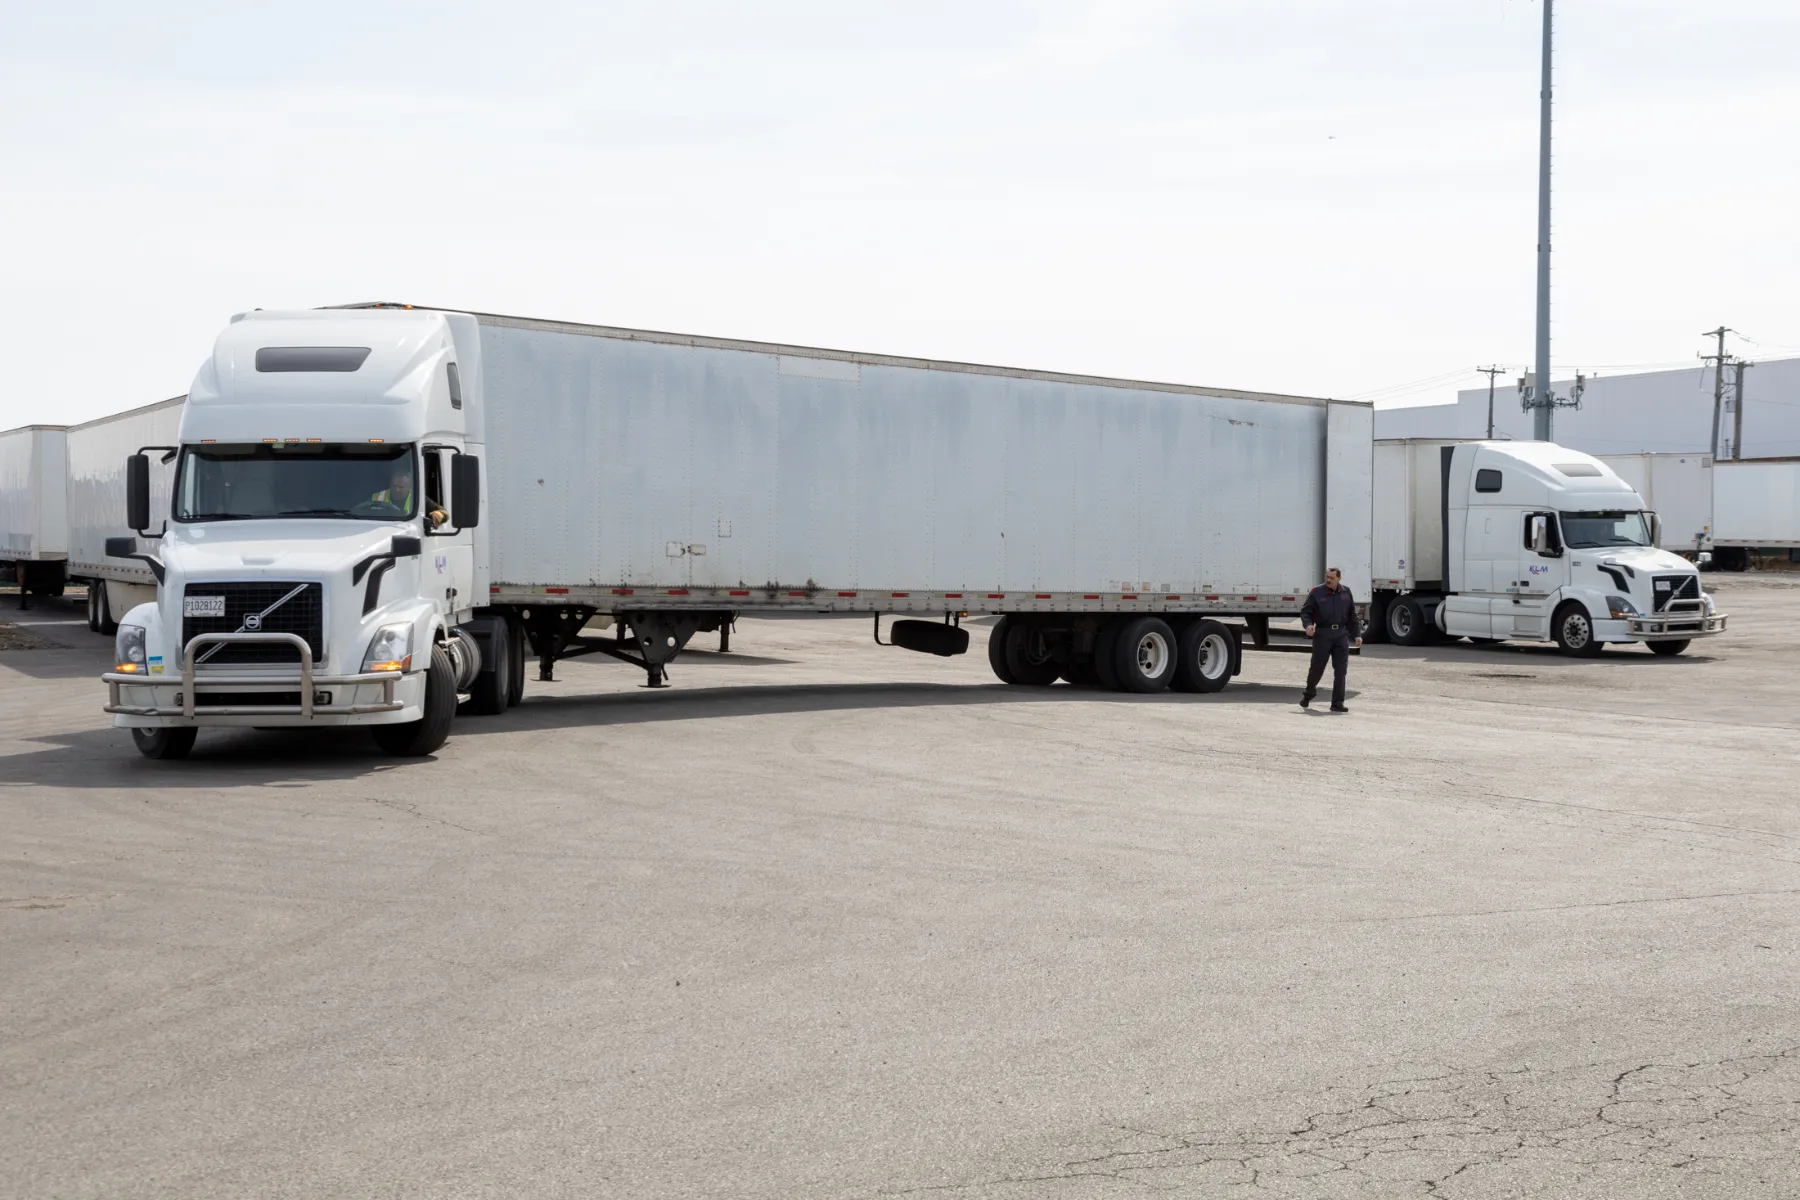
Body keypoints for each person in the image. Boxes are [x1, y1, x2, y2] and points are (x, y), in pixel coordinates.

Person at [1300, 566, 1362, 713]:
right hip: (1323, 634)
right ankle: (1309, 694)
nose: (1328, 580)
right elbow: (1306, 612)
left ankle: (1337, 703)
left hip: (1341, 635)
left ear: (1339, 579)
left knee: (1341, 670)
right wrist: (1308, 625)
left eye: (1332, 578)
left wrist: (1357, 634)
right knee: (1317, 669)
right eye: (1327, 577)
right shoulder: (1317, 592)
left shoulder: (1346, 593)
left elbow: (1352, 616)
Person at [372, 467, 446, 528]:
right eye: (394, 486)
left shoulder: (418, 498)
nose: (397, 490)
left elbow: (444, 513)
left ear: (409, 487)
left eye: (401, 487)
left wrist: (434, 518)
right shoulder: (377, 497)